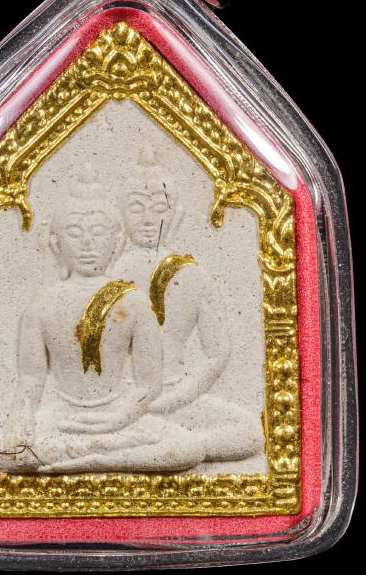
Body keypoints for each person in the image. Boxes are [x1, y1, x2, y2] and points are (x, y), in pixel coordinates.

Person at [0, 164, 208, 474]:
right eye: (74, 233)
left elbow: (148, 384)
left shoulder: (134, 302)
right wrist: (20, 418)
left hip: (120, 415)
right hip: (62, 417)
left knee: (188, 448)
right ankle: (104, 455)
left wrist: (119, 418)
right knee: (7, 453)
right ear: (55, 243)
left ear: (117, 242)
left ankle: (99, 461)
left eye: (97, 233)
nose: (87, 244)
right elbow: (31, 378)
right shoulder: (42, 304)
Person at [112, 148, 263, 462]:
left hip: (177, 398)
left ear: (176, 214)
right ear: (120, 214)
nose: (148, 219)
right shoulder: (105, 273)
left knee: (250, 431)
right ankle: (171, 449)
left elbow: (217, 353)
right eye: (137, 208)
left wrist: (178, 397)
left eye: (159, 208)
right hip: (116, 400)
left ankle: (168, 449)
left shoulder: (193, 276)